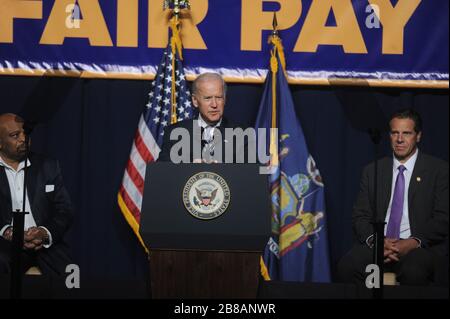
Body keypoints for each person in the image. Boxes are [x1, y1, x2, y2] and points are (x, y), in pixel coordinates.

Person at [338, 108, 448, 286]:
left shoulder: (439, 170)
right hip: (380, 245)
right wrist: (378, 242)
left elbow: (443, 218)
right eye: (395, 133)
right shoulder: (373, 170)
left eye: (406, 133)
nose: (399, 139)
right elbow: (360, 216)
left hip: (418, 247)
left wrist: (413, 242)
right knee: (348, 266)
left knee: (415, 270)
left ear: (418, 136)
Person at [0, 113, 73, 275]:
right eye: (15, 135)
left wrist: (44, 232)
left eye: (25, 133)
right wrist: (7, 231)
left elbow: (64, 211)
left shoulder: (48, 166)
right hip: (4, 246)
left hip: (44, 244)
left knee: (72, 273)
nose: (23, 139)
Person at [158, 72, 252, 163]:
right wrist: (189, 169)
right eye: (208, 98)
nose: (214, 104)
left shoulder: (242, 134)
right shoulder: (174, 134)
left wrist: (224, 169)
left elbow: (252, 174)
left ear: (225, 99)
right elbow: (162, 173)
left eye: (219, 97)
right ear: (195, 100)